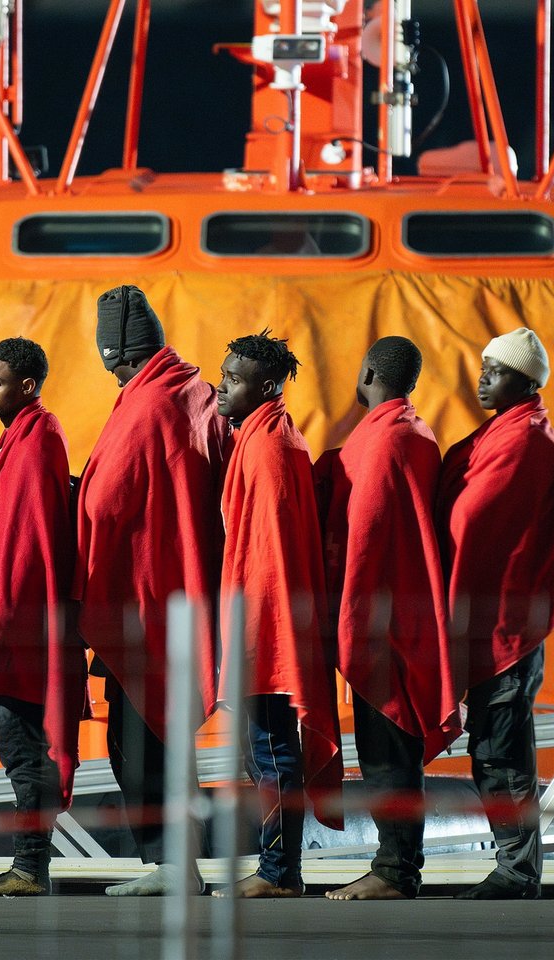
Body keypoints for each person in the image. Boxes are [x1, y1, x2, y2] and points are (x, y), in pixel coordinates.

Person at [75, 285, 230, 896]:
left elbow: (106, 501)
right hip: (189, 592)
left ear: (116, 353)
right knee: (161, 734)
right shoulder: (194, 390)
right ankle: (180, 865)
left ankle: (174, 868)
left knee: (139, 741)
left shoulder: (143, 408)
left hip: (146, 599)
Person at [437, 328, 554, 900]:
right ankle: (515, 867)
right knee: (493, 750)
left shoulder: (527, 439)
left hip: (507, 630)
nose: (482, 377)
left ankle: (518, 872)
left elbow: (475, 521)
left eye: (495, 370)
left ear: (525, 382)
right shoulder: (508, 432)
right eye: (483, 366)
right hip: (495, 621)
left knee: (502, 753)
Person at [317, 336, 460, 902]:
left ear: (370, 370)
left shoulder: (385, 440)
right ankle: (397, 867)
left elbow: (365, 539)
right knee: (393, 754)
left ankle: (395, 871)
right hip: (407, 619)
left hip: (383, 624)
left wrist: (344, 620)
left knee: (386, 756)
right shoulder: (412, 433)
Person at [211, 331, 342, 899]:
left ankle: (279, 873)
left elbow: (269, 559)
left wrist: (255, 639)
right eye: (223, 373)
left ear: (264, 387)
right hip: (262, 623)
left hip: (267, 628)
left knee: (271, 749)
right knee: (263, 749)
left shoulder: (268, 449)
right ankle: (277, 870)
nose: (221, 386)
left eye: (233, 378)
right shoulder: (262, 436)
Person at [0, 337, 86, 897]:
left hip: (23, 627)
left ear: (27, 386)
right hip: (14, 622)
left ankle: (30, 868)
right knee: (19, 749)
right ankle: (29, 866)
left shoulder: (37, 441)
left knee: (23, 749)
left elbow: (27, 548)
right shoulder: (21, 437)